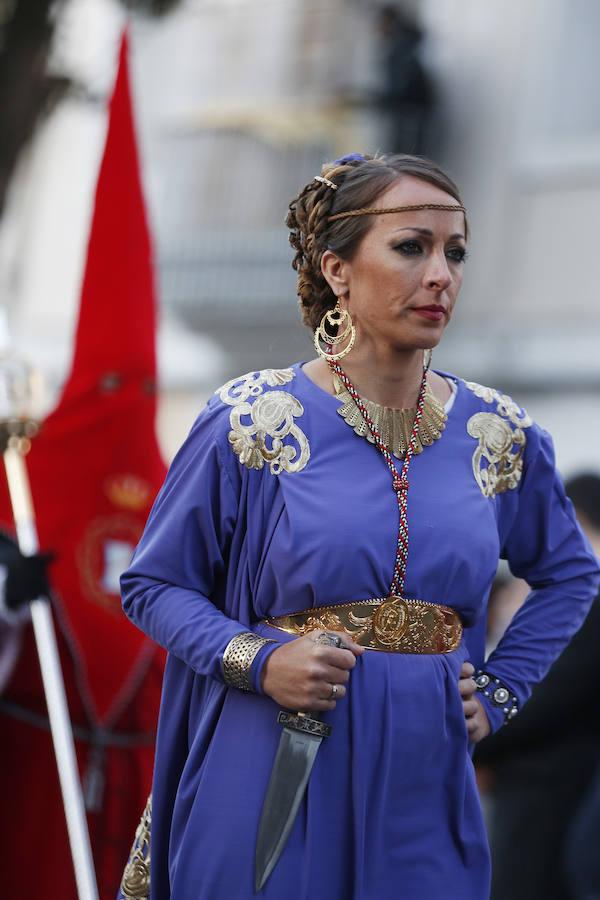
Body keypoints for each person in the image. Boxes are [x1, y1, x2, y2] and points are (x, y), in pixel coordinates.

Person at [118, 153, 600, 899]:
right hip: (272, 755)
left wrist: (502, 692)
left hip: (425, 768)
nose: (441, 273)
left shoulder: (500, 434)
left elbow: (571, 573)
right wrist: (256, 657)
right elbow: (154, 582)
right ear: (337, 270)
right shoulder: (250, 420)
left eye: (456, 251)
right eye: (412, 247)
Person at [476, 472, 600, 900]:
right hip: (527, 776)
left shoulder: (587, 596)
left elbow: (553, 694)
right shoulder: (526, 590)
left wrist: (475, 736)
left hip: (549, 782)